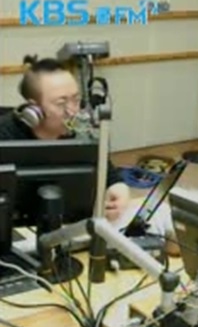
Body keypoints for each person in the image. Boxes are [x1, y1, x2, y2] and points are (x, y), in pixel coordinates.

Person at [0, 56, 131, 223]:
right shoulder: (4, 134)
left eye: (76, 99)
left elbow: (109, 175)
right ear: (34, 109)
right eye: (61, 103)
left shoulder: (81, 132)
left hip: (69, 226)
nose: (72, 111)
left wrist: (119, 189)